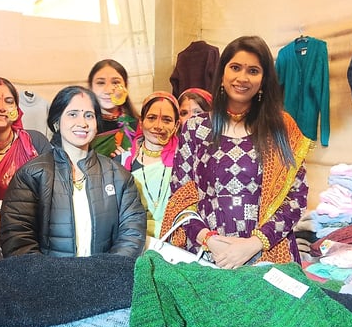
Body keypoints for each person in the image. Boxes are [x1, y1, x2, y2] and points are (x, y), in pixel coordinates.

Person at [163, 35, 313, 269]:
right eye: (235, 68)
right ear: (222, 73)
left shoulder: (281, 129)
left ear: (264, 79)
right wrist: (209, 240)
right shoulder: (195, 127)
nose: (242, 78)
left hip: (267, 255)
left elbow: (296, 197)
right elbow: (180, 197)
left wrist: (253, 244)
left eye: (253, 71)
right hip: (205, 256)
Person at [0, 85, 146, 258]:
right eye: (72, 114)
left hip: (104, 273)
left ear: (96, 124)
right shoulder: (31, 175)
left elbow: (132, 234)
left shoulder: (118, 176)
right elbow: (17, 239)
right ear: (56, 122)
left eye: (89, 115)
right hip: (47, 275)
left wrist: (107, 270)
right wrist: (48, 273)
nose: (82, 123)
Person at [0, 77, 51, 202]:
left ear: (17, 109)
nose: (2, 108)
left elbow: (50, 191)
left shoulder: (35, 142)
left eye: (9, 102)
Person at [123, 91, 180, 238]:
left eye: (167, 120)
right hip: (133, 240)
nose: (158, 126)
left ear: (176, 125)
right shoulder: (122, 162)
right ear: (141, 122)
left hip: (175, 242)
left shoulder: (185, 163)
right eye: (151, 118)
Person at [87, 59, 139, 159]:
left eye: (115, 82)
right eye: (100, 83)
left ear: (125, 86)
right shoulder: (81, 127)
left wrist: (127, 161)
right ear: (90, 87)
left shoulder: (139, 127)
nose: (108, 90)